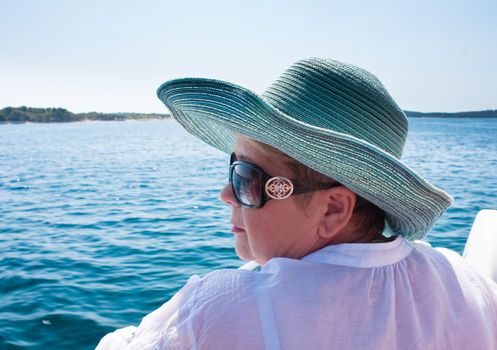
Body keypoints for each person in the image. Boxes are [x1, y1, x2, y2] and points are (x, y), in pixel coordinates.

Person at [97, 58, 497, 349]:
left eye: (246, 178)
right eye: (231, 168)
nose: (224, 194)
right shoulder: (470, 285)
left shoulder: (219, 312)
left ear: (333, 209)